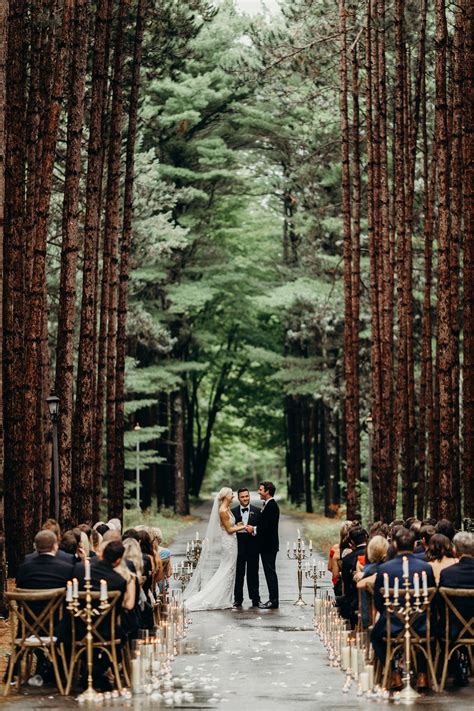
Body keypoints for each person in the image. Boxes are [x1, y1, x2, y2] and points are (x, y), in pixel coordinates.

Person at [371, 528, 435, 690]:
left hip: (392, 624)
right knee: (434, 632)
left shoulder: (384, 569)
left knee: (375, 636)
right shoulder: (425, 568)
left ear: (394, 544)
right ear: (414, 545)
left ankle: (394, 673)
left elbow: (378, 601)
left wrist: (390, 614)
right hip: (421, 623)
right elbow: (433, 597)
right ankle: (422, 674)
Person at [183, 487, 245, 611]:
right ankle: (216, 597)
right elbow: (229, 530)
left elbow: (230, 526)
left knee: (230, 570)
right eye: (231, 494)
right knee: (226, 569)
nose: (233, 496)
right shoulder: (222, 510)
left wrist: (237, 525)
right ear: (226, 496)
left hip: (232, 541)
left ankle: (225, 599)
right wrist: (244, 526)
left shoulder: (227, 509)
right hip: (228, 543)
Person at [246, 481, 280, 610]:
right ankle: (273, 599)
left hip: (269, 546)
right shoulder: (268, 505)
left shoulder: (272, 506)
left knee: (270, 573)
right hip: (267, 546)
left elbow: (267, 528)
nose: (259, 491)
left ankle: (274, 601)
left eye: (260, 489)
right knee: (269, 573)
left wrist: (253, 529)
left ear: (267, 491)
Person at [231, 487, 261, 609]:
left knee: (253, 573)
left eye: (246, 496)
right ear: (238, 498)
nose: (245, 498)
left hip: (253, 545)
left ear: (249, 496)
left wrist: (253, 529)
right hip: (238, 546)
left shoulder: (258, 511)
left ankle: (255, 599)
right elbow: (228, 529)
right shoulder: (232, 512)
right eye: (242, 497)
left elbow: (262, 529)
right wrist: (235, 526)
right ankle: (238, 599)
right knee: (239, 573)